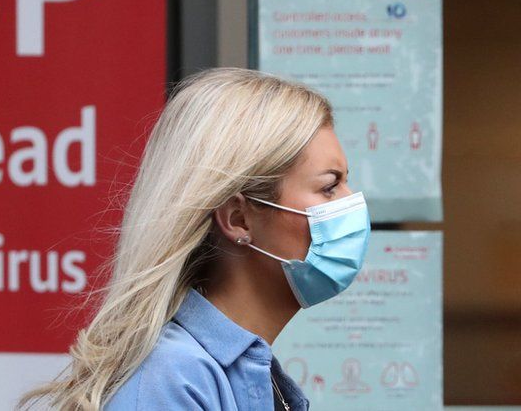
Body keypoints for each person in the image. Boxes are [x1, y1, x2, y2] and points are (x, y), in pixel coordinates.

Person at [19, 67, 371, 410]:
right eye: (329, 186)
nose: (352, 202)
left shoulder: (244, 376)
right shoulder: (172, 381)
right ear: (238, 218)